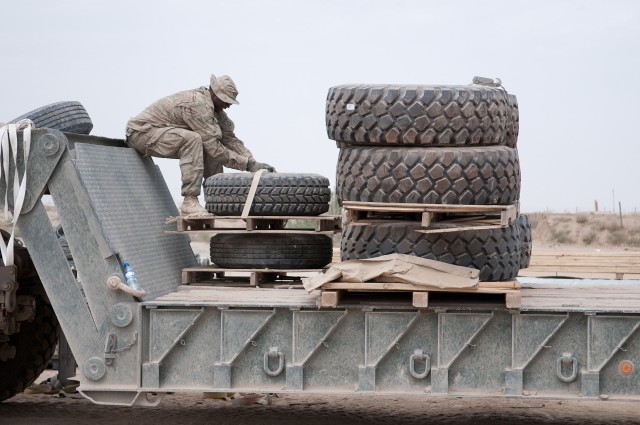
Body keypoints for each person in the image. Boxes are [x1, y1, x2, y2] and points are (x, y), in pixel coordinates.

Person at [125, 74, 275, 216]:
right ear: (215, 95)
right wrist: (246, 165)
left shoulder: (215, 111)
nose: (228, 105)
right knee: (195, 140)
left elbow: (230, 139)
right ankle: (189, 201)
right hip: (142, 134)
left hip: (159, 135)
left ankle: (217, 199)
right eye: (226, 101)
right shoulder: (198, 105)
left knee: (208, 144)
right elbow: (214, 149)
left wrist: (253, 164)